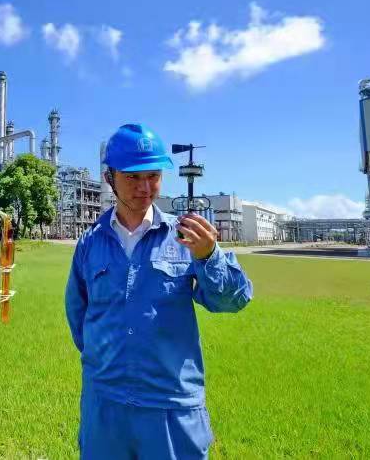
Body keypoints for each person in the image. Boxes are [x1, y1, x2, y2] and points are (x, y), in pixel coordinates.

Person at [65, 123, 254, 459]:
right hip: (105, 404)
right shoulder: (90, 243)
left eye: (153, 176)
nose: (144, 187)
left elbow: (233, 300)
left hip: (170, 405)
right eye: (132, 177)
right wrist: (108, 360)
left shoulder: (185, 236)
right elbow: (78, 314)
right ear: (109, 178)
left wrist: (209, 255)